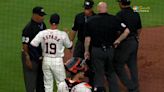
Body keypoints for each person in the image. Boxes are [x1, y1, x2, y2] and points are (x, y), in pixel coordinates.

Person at [84, 2, 130, 92]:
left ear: (98, 9)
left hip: (96, 51)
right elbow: (127, 31)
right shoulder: (114, 19)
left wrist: (86, 51)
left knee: (98, 73)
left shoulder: (90, 20)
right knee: (111, 73)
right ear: (107, 8)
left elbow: (87, 38)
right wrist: (118, 40)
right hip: (110, 50)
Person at [30, 13, 73, 92]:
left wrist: (38, 56)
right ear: (58, 22)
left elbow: (32, 44)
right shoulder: (62, 34)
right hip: (57, 61)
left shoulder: (42, 33)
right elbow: (69, 46)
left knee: (48, 85)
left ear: (49, 22)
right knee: (62, 84)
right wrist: (67, 35)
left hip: (46, 60)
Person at [114, 0, 142, 92]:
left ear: (121, 3)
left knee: (118, 65)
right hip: (134, 41)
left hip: (125, 43)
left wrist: (117, 41)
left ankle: (131, 87)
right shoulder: (135, 13)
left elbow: (117, 31)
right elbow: (139, 28)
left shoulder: (120, 15)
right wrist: (137, 37)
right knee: (132, 64)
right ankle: (135, 87)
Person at [69, 0, 96, 86]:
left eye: (88, 9)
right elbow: (74, 30)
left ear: (92, 8)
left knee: (92, 66)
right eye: (85, 8)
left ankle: (92, 85)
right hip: (80, 44)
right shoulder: (79, 17)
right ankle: (73, 84)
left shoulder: (96, 18)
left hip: (92, 45)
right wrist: (70, 43)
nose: (86, 11)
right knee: (75, 64)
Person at [22, 6, 46, 92]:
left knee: (41, 82)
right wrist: (27, 58)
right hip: (31, 57)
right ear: (34, 15)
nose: (42, 17)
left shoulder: (43, 25)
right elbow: (25, 45)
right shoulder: (28, 28)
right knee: (30, 82)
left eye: (43, 15)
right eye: (40, 15)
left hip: (40, 57)